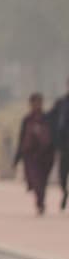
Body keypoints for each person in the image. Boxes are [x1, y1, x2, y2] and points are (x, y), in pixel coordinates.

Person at [14, 93, 56, 215]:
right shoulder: (27, 120)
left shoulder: (48, 119)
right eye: (34, 103)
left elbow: (53, 136)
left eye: (39, 102)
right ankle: (40, 202)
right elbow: (21, 138)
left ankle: (41, 201)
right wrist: (17, 157)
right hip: (31, 156)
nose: (37, 105)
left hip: (46, 154)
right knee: (35, 179)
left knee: (43, 181)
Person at [50, 78, 69, 211]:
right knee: (62, 175)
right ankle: (64, 193)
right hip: (64, 146)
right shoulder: (61, 103)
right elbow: (50, 119)